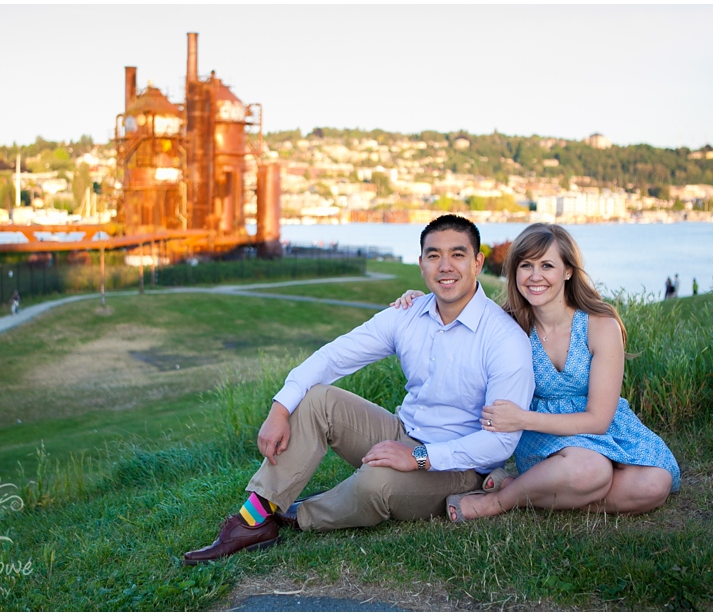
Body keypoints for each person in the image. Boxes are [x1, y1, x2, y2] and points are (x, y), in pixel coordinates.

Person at [182, 215, 535, 565]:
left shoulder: (504, 340)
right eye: (433, 255)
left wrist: (417, 458)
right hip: (400, 432)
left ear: (477, 263)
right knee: (318, 398)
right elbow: (333, 357)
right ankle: (254, 519)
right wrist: (280, 408)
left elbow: (500, 442)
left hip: (459, 466)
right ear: (421, 264)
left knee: (373, 486)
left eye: (457, 255)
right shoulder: (407, 314)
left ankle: (299, 513)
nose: (445, 266)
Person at [393, 223, 679, 522]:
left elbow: (599, 420)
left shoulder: (599, 325)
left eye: (547, 265)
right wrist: (418, 299)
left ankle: (524, 489)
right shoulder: (507, 325)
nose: (535, 276)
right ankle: (500, 502)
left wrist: (523, 418)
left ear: (568, 270)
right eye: (526, 265)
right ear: (515, 272)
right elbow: (453, 311)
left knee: (655, 485)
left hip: (595, 426)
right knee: (592, 471)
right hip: (544, 437)